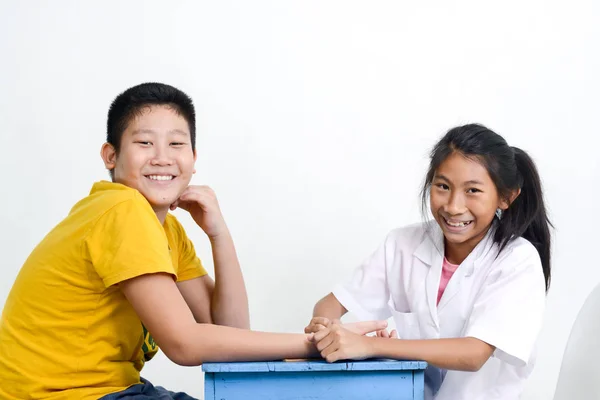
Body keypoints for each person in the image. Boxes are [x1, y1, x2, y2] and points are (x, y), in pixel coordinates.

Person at [0, 82, 385, 400]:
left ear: (194, 157)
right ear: (110, 155)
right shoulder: (121, 210)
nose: (162, 158)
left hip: (105, 390)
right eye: (144, 143)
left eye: (176, 144)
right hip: (55, 394)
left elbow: (232, 334)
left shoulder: (165, 228)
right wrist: (321, 342)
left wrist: (219, 233)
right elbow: (184, 345)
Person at [306, 124, 552, 400]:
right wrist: (326, 330)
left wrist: (370, 347)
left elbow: (473, 354)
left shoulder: (517, 260)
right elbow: (330, 303)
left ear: (506, 197)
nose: (453, 206)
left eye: (472, 191)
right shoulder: (402, 244)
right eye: (443, 186)